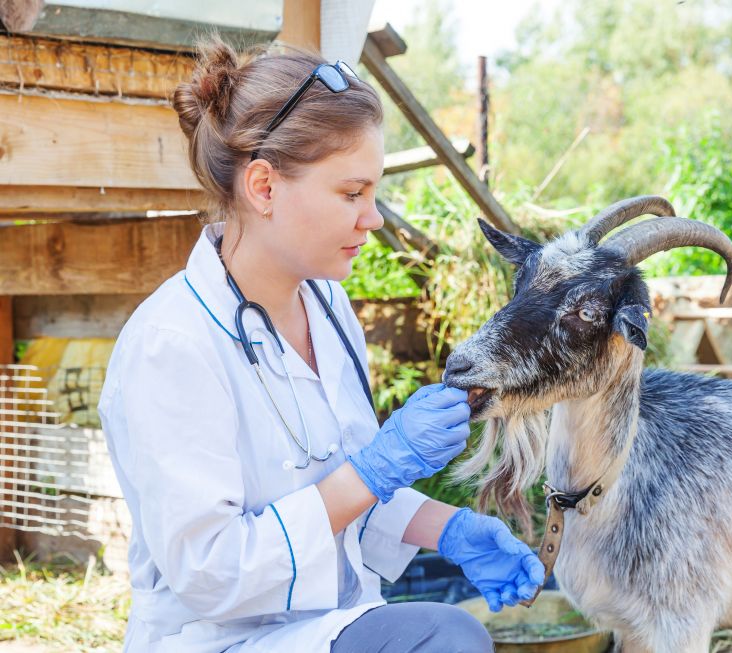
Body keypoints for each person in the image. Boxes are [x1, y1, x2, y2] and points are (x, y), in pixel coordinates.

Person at [97, 36, 544, 653]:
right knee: (447, 638)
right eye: (351, 193)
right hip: (219, 639)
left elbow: (344, 488)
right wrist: (377, 467)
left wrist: (451, 527)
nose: (374, 218)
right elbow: (211, 571)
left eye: (374, 192)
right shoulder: (172, 344)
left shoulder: (327, 307)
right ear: (264, 187)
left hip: (329, 626)